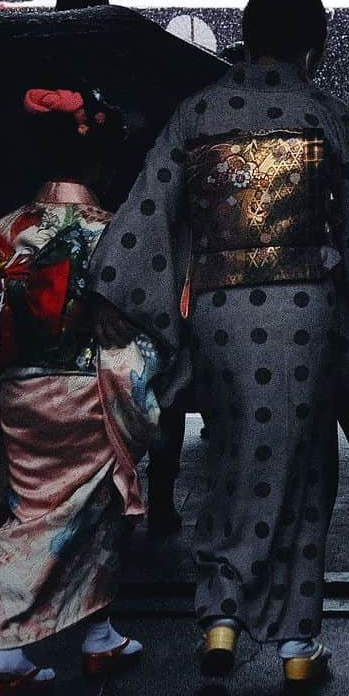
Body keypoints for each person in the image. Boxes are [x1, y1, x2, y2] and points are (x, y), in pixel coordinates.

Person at [88, 0, 349, 683]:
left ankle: (222, 615)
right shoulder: (324, 111)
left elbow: (148, 212)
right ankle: (296, 644)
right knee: (307, 463)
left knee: (231, 453)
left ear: (246, 32)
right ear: (314, 46)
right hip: (308, 310)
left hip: (224, 311)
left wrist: (121, 289)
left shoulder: (199, 111)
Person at [0, 86, 159, 696]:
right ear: (101, 164)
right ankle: (14, 647)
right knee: (90, 515)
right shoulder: (115, 233)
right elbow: (139, 321)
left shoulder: (3, 231)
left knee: (30, 511)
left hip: (22, 394)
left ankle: (92, 634)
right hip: (91, 394)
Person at [146, 38, 248, 539]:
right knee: (228, 395)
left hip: (179, 279)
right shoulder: (253, 132)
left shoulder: (181, 125)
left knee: (168, 395)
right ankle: (226, 508)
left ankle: (161, 500)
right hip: (230, 285)